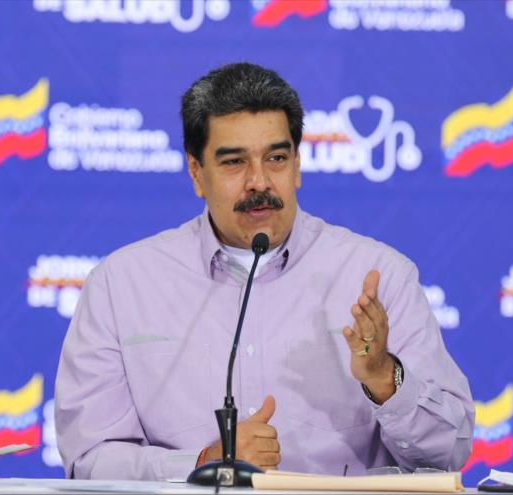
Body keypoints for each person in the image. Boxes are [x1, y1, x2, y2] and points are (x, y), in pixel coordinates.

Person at [55, 62, 474, 480]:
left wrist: (385, 377)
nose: (259, 181)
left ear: (297, 166)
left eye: (276, 158)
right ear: (197, 173)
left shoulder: (379, 277)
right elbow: (90, 460)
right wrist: (201, 465)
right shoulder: (121, 285)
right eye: (234, 162)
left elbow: (449, 454)